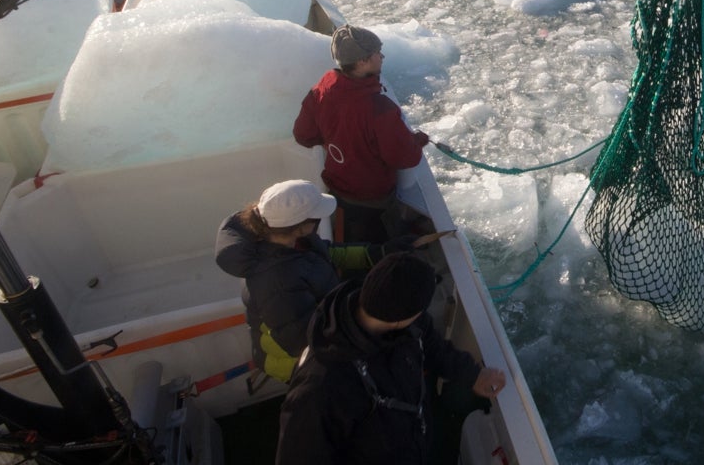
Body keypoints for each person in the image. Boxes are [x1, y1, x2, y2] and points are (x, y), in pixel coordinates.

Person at [274, 253, 505, 465]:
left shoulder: (401, 317)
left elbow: (433, 347)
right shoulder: (319, 389)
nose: (421, 316)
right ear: (399, 320)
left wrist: (473, 374)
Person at [214, 179, 385, 383]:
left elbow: (327, 253)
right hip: (293, 359)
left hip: (313, 329)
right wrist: (365, 321)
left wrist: (377, 253)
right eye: (316, 217)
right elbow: (303, 340)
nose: (319, 221)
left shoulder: (288, 241)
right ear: (300, 226)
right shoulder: (277, 280)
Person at [293, 25, 431, 243]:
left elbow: (303, 135)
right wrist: (417, 140)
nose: (382, 56)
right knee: (383, 241)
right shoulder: (379, 109)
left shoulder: (322, 89)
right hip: (373, 197)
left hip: (337, 190)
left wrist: (336, 140)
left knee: (351, 236)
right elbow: (405, 157)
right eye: (378, 52)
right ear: (362, 61)